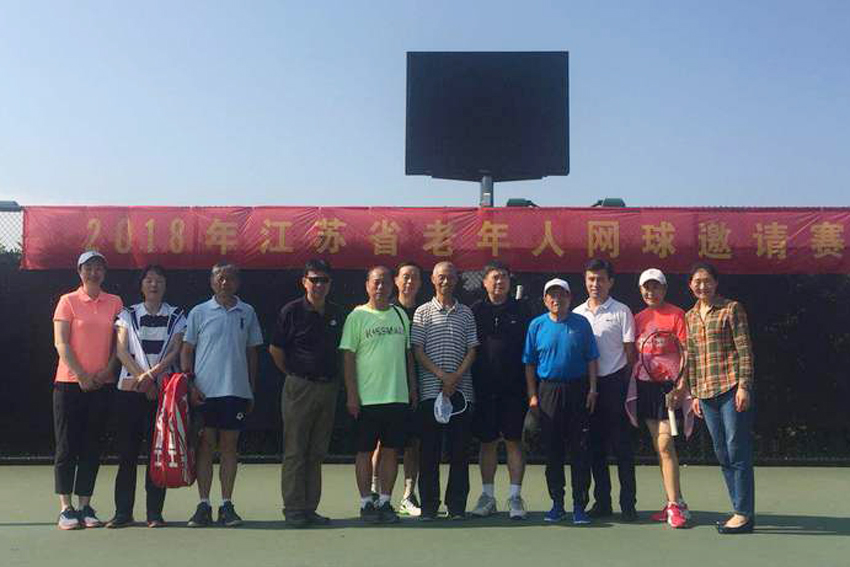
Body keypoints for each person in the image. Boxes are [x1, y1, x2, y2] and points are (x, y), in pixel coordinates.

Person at [181, 262, 263, 528]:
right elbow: (186, 350)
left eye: (229, 278)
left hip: (236, 392)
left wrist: (250, 389)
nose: (224, 282)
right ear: (211, 281)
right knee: (205, 446)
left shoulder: (247, 312)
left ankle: (227, 505)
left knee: (229, 447)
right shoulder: (199, 312)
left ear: (237, 283)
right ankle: (203, 505)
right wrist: (190, 385)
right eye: (220, 278)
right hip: (204, 393)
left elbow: (252, 352)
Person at [108, 265, 186, 528]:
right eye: (149, 280)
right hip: (130, 393)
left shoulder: (177, 315)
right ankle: (123, 513)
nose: (154, 285)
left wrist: (151, 378)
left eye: (159, 280)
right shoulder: (127, 314)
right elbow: (121, 351)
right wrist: (142, 379)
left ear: (165, 285)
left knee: (157, 454)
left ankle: (154, 513)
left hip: (162, 394)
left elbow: (174, 351)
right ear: (141, 285)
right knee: (127, 454)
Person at [270, 259, 345, 528]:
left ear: (330, 284)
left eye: (324, 280)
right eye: (314, 280)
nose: (319, 285)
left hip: (328, 388)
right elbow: (276, 350)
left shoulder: (337, 313)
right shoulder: (291, 311)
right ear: (304, 282)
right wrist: (294, 375)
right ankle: (293, 509)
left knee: (316, 452)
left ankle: (310, 508)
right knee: (295, 451)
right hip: (299, 387)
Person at [340, 266, 418, 524]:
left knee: (391, 451)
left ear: (391, 285)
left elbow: (408, 355)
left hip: (397, 397)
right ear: (367, 285)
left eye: (385, 282)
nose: (381, 287)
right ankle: (366, 503)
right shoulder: (357, 316)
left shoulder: (400, 315)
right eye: (376, 282)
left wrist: (412, 388)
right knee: (364, 452)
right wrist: (352, 395)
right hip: (367, 400)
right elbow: (348, 357)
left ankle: (385, 501)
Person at [52, 250, 123, 530]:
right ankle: (66, 508)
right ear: (79, 272)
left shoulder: (115, 302)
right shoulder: (67, 301)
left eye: (99, 268)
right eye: (88, 268)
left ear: (104, 273)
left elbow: (120, 344)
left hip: (102, 385)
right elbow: (61, 343)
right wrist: (81, 375)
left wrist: (106, 372)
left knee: (92, 446)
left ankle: (85, 505)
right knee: (67, 446)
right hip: (69, 384)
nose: (94, 273)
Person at [686, 262, 756, 534]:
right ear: (690, 285)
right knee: (722, 452)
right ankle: (739, 508)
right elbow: (692, 357)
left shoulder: (732, 308)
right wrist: (694, 393)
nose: (702, 286)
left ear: (716, 283)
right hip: (705, 394)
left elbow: (745, 350)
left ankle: (743, 514)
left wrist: (744, 386)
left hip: (730, 388)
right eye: (697, 282)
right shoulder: (690, 316)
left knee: (736, 449)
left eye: (707, 281)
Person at [523, 278, 598, 525]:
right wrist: (533, 395)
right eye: (552, 295)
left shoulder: (582, 324)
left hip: (578, 391)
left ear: (569, 298)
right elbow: (530, 363)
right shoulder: (536, 325)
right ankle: (557, 503)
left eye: (561, 295)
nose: (557, 299)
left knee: (579, 450)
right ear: (545, 300)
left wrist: (593, 389)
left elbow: (591, 359)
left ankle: (579, 506)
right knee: (553, 451)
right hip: (548, 392)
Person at [411, 261, 478, 521]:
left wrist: (455, 378)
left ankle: (456, 506)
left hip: (461, 393)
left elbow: (472, 349)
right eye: (441, 276)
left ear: (457, 280)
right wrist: (442, 376)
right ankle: (429, 506)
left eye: (450, 277)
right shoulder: (422, 312)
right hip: (431, 392)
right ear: (432, 279)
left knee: (459, 452)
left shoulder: (466, 313)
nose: (446, 281)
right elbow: (418, 351)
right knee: (429, 452)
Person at [573, 258, 638, 521]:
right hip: (587, 388)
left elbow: (630, 354)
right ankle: (602, 503)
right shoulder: (576, 314)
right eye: (591, 279)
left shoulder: (622, 311)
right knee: (594, 448)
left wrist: (622, 384)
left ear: (610, 282)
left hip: (615, 385)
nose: (595, 284)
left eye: (600, 279)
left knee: (622, 448)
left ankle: (628, 504)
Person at [629, 268, 691, 528]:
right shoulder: (637, 318)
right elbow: (634, 354)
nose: (651, 291)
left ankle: (675, 505)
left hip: (670, 388)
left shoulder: (677, 315)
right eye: (647, 287)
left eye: (656, 287)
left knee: (665, 444)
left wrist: (681, 386)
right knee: (659, 446)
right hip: (646, 387)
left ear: (664, 289)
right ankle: (675, 501)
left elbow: (687, 352)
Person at [469, 261, 531, 520]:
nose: (499, 281)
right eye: (494, 277)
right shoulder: (475, 311)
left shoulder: (522, 310)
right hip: (484, 389)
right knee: (488, 443)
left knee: (514, 441)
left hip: (515, 389)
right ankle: (487, 496)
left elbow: (531, 351)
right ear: (484, 282)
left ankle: (515, 497)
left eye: (504, 277)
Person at [369, 261, 424, 516]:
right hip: (385, 387)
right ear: (396, 281)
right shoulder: (385, 311)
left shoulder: (423, 313)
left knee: (414, 443)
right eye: (405, 277)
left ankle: (408, 495)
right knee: (382, 442)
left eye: (414, 277)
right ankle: (375, 490)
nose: (409, 282)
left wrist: (414, 387)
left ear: (421, 283)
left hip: (415, 387)